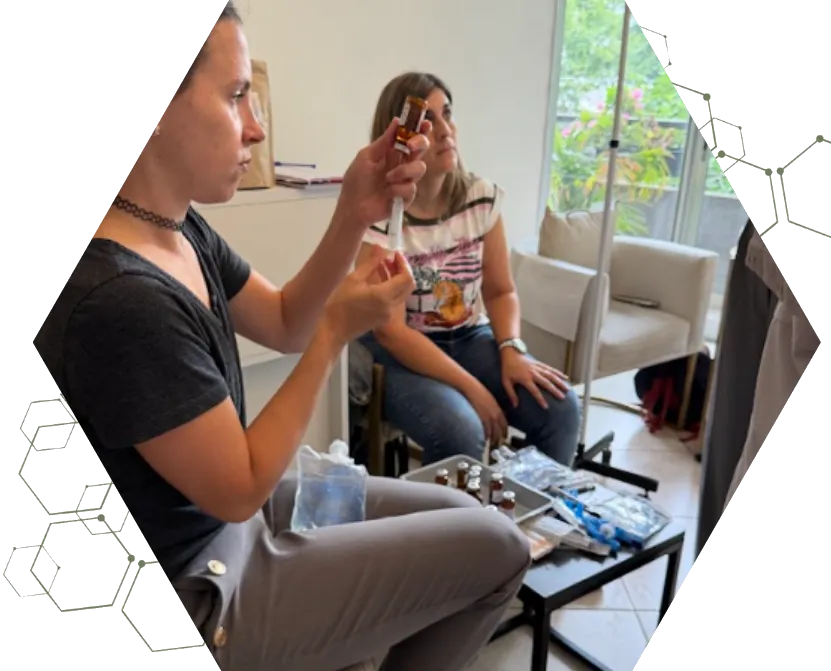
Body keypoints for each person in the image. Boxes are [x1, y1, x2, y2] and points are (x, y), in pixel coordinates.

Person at [33, 5, 530, 671]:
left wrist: (354, 209)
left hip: (239, 522)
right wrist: (336, 334)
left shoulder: (177, 227)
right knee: (500, 548)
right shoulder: (118, 297)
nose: (257, 126)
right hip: (207, 584)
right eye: (237, 95)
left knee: (458, 509)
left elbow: (287, 319)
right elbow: (239, 484)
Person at [357, 72, 583, 467]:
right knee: (461, 430)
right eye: (429, 121)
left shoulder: (481, 198)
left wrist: (512, 348)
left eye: (447, 114)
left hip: (468, 336)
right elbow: (391, 332)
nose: (446, 131)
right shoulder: (381, 216)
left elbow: (500, 291)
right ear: (400, 137)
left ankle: (523, 507)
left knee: (562, 409)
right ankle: (452, 510)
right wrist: (471, 388)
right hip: (400, 352)